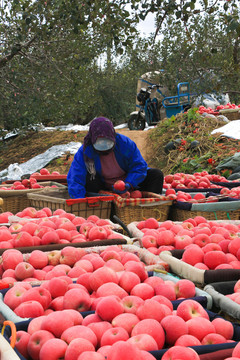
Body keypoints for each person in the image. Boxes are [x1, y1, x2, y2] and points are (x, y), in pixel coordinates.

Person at [67, 117, 164, 198]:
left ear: (113, 136)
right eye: (99, 143)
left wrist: (129, 183)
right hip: (103, 187)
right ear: (92, 139)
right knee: (88, 178)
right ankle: (106, 202)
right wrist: (78, 200)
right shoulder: (85, 151)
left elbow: (139, 166)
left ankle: (146, 206)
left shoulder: (125, 144)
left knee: (156, 175)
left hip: (129, 184)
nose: (104, 148)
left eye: (107, 142)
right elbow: (75, 177)